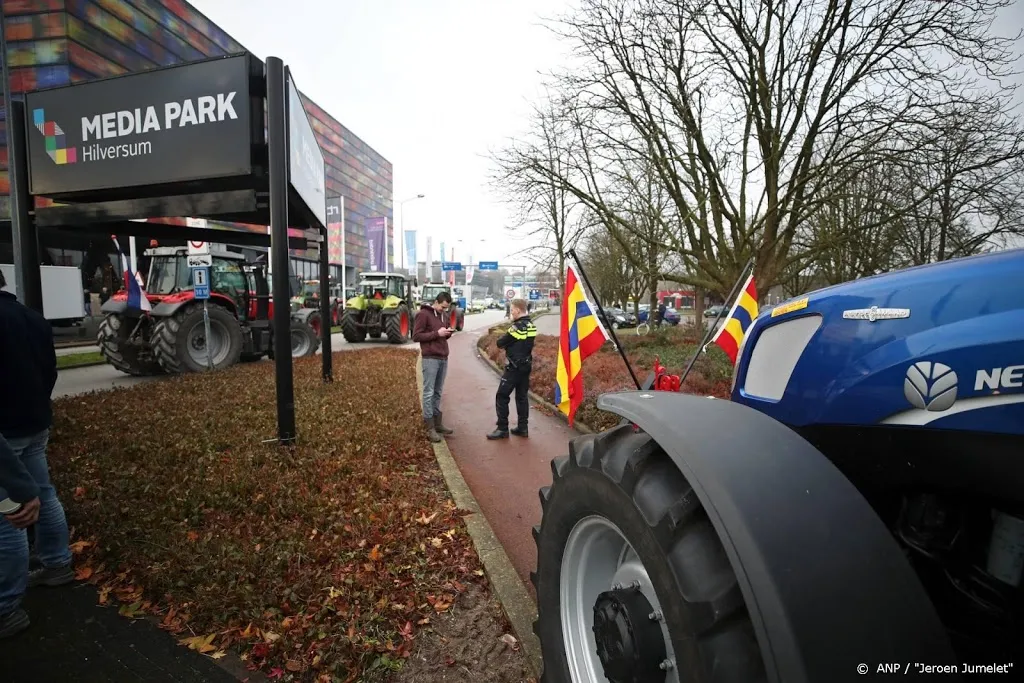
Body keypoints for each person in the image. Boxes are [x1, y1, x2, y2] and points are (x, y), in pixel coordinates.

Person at [0, 268, 73, 640]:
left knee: (8, 514)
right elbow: (50, 372)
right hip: (34, 423)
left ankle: (5, 606)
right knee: (42, 493)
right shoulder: (34, 320)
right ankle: (57, 563)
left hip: (5, 433)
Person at [487, 299, 536, 440]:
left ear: (518, 310)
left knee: (502, 396)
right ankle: (523, 428)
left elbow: (500, 342)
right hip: (526, 366)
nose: (511, 312)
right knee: (521, 397)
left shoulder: (516, 327)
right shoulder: (531, 325)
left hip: (514, 368)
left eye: (512, 310)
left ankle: (502, 429)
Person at [413, 291, 455, 443]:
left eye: (446, 308)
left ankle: (438, 423)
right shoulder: (423, 314)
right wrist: (437, 333)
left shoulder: (443, 315)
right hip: (430, 358)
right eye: (443, 307)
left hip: (443, 357)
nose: (444, 310)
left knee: (438, 391)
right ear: (436, 302)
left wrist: (448, 332)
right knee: (429, 392)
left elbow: (442, 333)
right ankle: (429, 426)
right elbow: (416, 336)